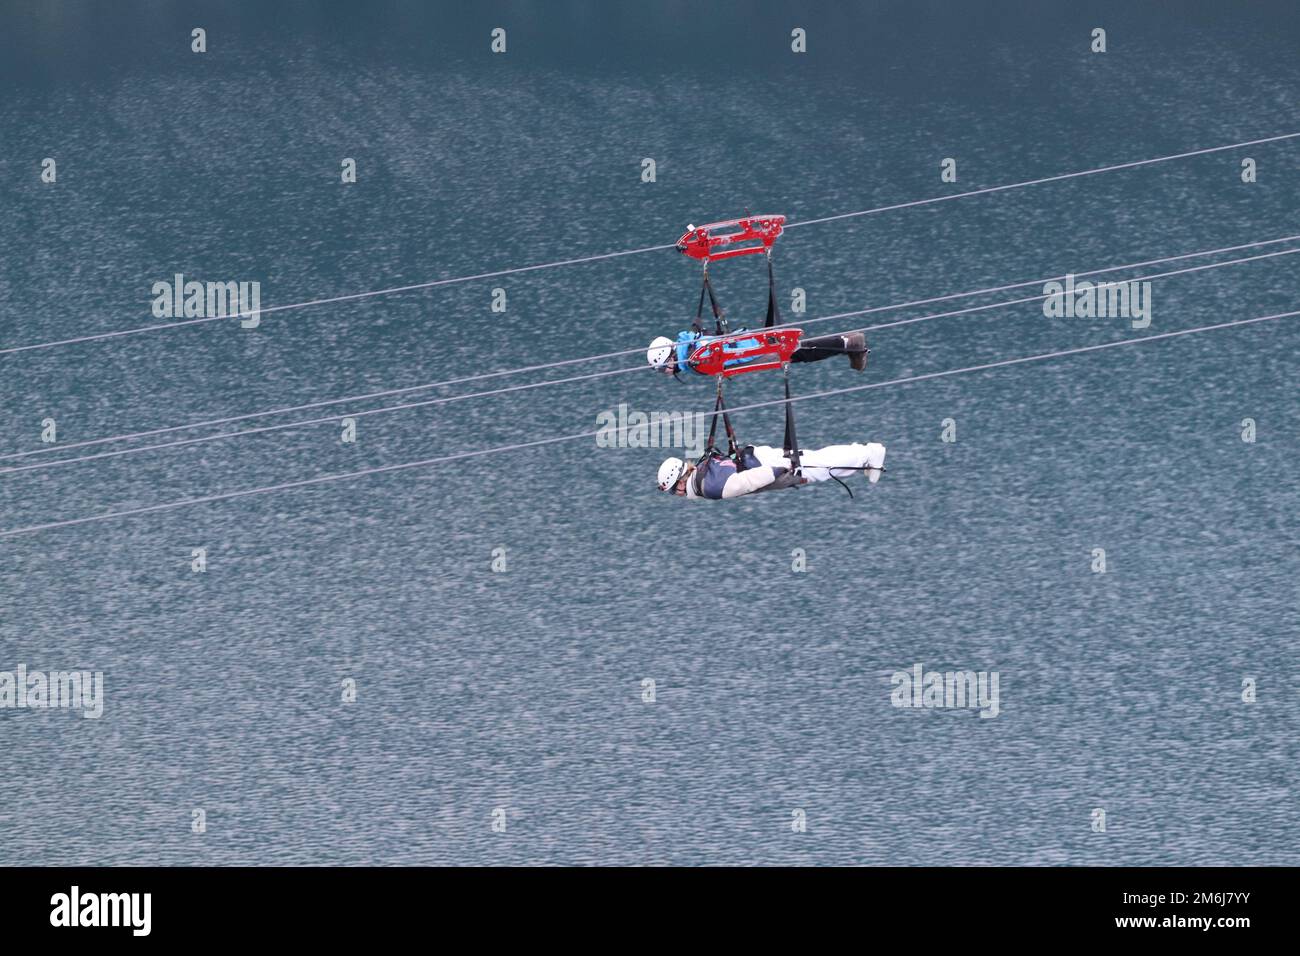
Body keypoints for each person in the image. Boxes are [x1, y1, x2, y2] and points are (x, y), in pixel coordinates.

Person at [657, 442, 886, 499]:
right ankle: (864, 457)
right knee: (816, 461)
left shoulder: (710, 488)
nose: (676, 495)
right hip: (755, 456)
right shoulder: (700, 470)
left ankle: (869, 453)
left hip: (765, 467)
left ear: (680, 481)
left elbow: (749, 481)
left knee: (819, 467)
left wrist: (781, 469)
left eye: (672, 490)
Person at [647, 328, 867, 376]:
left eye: (661, 369)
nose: (664, 373)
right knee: (800, 350)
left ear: (669, 359)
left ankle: (849, 343)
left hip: (752, 352)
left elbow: (722, 356)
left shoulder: (693, 360)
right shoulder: (690, 348)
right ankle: (846, 345)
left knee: (798, 352)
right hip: (749, 343)